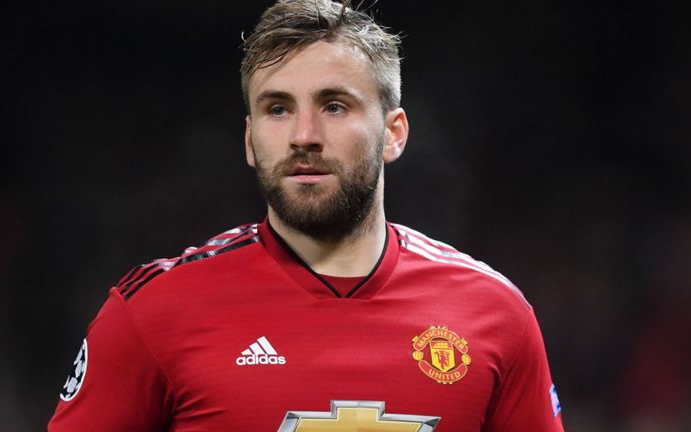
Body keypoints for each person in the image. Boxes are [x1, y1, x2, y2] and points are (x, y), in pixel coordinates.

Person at [48, 0, 565, 430]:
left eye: (334, 106)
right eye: (278, 109)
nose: (304, 136)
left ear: (393, 134)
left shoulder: (496, 315)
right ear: (250, 139)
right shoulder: (152, 314)